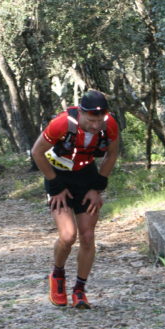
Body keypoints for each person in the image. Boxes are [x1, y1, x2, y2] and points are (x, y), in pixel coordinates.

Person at [31, 90, 119, 309]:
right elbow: (37, 152)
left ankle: (79, 290)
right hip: (57, 175)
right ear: (81, 112)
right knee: (68, 235)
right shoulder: (62, 124)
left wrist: (97, 187)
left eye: (99, 120)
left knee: (87, 236)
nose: (96, 125)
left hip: (86, 176)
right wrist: (55, 186)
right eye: (91, 120)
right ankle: (57, 275)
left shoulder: (109, 125)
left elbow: (112, 154)